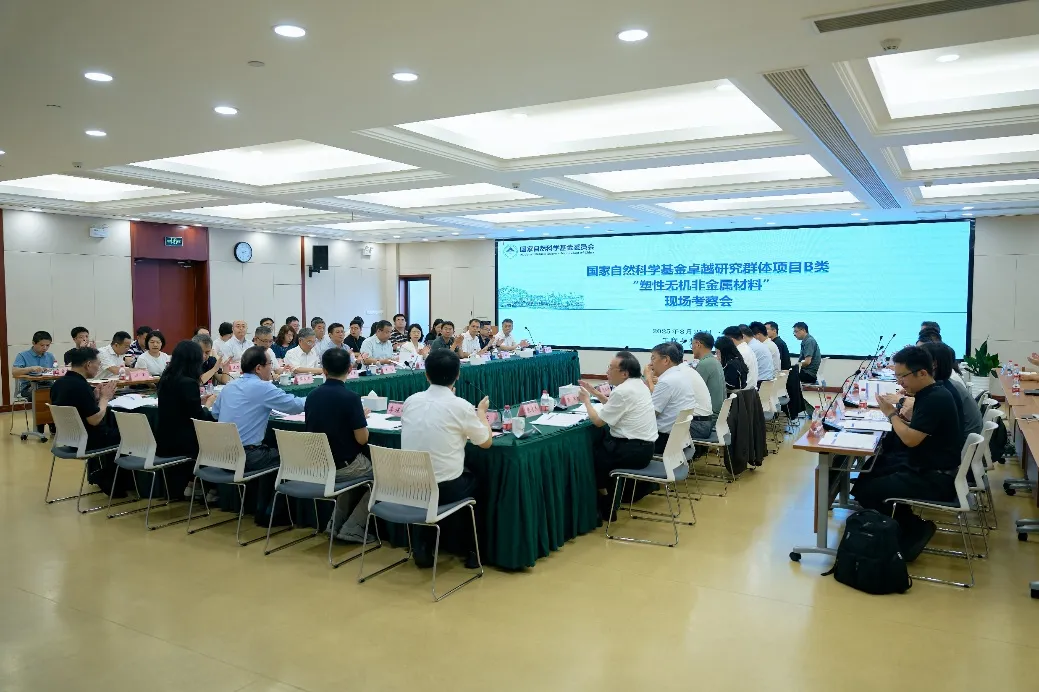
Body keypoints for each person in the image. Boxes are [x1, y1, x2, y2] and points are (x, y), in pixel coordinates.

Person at [852, 346, 962, 561]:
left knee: (868, 490)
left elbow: (911, 439)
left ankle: (913, 530)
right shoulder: (930, 392)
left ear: (922, 373)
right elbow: (918, 430)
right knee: (870, 472)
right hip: (926, 464)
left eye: (902, 377)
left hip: (936, 477)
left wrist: (891, 414)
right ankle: (903, 525)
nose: (900, 382)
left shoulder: (935, 398)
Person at [401, 349, 492, 568]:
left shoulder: (411, 401)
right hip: (445, 488)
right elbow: (485, 442)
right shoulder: (461, 406)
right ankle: (473, 551)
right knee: (480, 482)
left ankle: (423, 546)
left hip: (409, 486)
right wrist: (481, 413)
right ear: (457, 375)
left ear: (426, 375)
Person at [577, 351, 657, 520]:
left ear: (624, 373)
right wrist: (595, 393)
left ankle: (607, 504)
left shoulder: (623, 391)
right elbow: (618, 407)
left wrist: (586, 401)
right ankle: (609, 501)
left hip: (632, 451)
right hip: (645, 448)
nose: (607, 371)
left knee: (592, 456)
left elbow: (598, 421)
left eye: (611, 368)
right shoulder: (638, 384)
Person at [305, 348, 373, 543]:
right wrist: (360, 418)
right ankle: (353, 527)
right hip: (343, 467)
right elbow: (362, 439)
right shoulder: (351, 398)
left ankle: (335, 523)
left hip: (318, 465)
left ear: (324, 370)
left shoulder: (312, 395)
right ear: (350, 369)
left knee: (355, 470)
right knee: (383, 476)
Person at [211, 346, 306, 472]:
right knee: (296, 452)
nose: (271, 368)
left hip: (221, 455)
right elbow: (295, 406)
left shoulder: (229, 386)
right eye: (270, 364)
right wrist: (316, 397)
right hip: (246, 457)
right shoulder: (263, 387)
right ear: (258, 368)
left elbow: (215, 413)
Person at [51, 347, 129, 497]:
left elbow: (78, 406)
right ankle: (108, 478)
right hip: (89, 440)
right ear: (88, 364)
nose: (99, 367)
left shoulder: (59, 384)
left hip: (70, 439)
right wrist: (105, 399)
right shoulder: (81, 386)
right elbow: (94, 420)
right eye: (98, 364)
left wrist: (95, 398)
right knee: (127, 435)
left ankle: (105, 475)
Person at [156, 340, 217, 501]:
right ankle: (210, 487)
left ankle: (194, 485)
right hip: (183, 442)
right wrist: (208, 404)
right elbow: (199, 418)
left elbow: (179, 404)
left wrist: (198, 400)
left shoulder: (166, 378)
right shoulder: (188, 383)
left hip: (164, 438)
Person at [645, 342, 714, 452]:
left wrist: (648, 378)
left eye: (653, 358)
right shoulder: (682, 375)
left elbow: (649, 415)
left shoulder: (667, 381)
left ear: (666, 360)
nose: (650, 364)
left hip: (664, 440)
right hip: (680, 438)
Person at [921, 342, 981, 439]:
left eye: (919, 360)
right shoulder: (946, 383)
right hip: (964, 436)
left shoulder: (943, 391)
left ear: (934, 364)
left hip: (961, 442)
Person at [692, 332, 725, 423]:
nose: (692, 348)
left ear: (698, 344)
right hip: (718, 414)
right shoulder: (714, 361)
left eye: (692, 344)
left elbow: (692, 392)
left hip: (709, 418)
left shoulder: (704, 364)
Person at [13, 331, 57, 398]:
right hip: (29, 387)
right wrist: (31, 369)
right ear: (33, 343)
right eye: (42, 345)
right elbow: (14, 372)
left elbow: (55, 371)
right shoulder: (22, 355)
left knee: (61, 392)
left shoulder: (50, 356)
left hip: (48, 384)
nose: (45, 348)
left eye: (47, 345)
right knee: (42, 395)